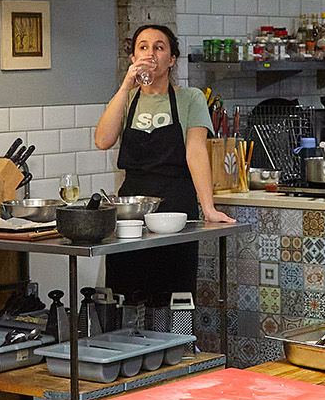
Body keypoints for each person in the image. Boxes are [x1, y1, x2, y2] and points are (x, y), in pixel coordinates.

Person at [92, 23, 235, 310]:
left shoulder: (190, 98)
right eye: (142, 47)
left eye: (159, 47)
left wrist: (208, 208)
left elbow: (196, 153)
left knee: (172, 296)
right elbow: (103, 140)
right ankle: (125, 352)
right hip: (130, 213)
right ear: (133, 58)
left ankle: (174, 350)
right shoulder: (126, 99)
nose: (150, 53)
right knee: (124, 293)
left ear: (171, 59)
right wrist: (124, 86)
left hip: (175, 207)